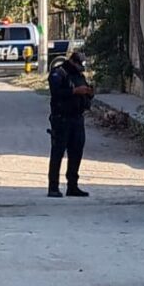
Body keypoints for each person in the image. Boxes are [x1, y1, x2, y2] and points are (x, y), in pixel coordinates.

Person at [47, 50, 93, 197]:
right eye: (78, 65)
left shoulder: (79, 76)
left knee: (76, 153)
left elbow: (85, 91)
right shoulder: (58, 73)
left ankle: (72, 186)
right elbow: (56, 92)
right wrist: (74, 91)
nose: (80, 69)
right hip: (62, 119)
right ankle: (53, 187)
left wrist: (88, 93)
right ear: (72, 61)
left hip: (77, 119)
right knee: (58, 153)